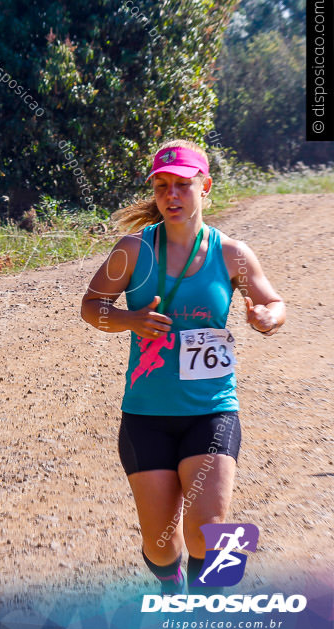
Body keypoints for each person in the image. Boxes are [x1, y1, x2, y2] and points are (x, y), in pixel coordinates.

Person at [80, 140, 285, 594]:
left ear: (205, 187)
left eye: (183, 186)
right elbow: (92, 306)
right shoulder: (133, 251)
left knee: (209, 530)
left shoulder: (232, 253)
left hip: (211, 409)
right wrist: (129, 320)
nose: (171, 196)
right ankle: (173, 590)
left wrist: (268, 317)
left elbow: (273, 301)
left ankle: (214, 607)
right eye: (162, 186)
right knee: (159, 545)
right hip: (147, 415)